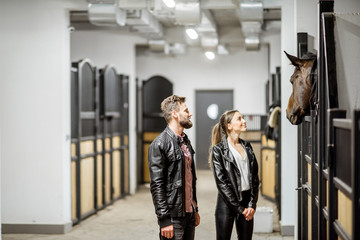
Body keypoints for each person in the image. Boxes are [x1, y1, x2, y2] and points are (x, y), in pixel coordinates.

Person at [148, 95, 200, 240]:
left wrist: (195, 208)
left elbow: (190, 179)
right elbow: (157, 185)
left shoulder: (185, 141)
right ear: (175, 114)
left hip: (189, 213)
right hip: (173, 217)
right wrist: (164, 220)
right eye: (186, 110)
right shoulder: (159, 144)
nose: (190, 114)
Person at [210, 110, 259, 240]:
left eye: (242, 118)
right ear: (229, 126)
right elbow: (222, 183)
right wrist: (239, 209)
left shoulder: (247, 146)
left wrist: (251, 205)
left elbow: (254, 178)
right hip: (227, 203)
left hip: (247, 200)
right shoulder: (218, 150)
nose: (244, 121)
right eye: (239, 119)